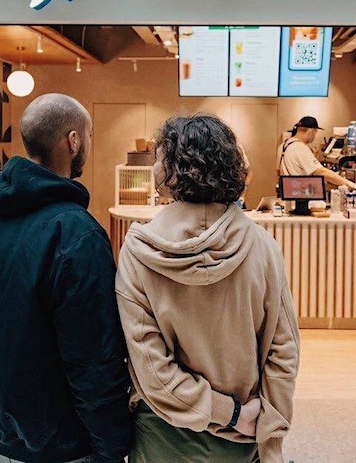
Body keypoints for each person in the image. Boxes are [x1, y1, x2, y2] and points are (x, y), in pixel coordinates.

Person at [0, 93, 133, 463]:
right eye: (89, 135)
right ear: (73, 141)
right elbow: (93, 359)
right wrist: (113, 446)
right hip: (59, 449)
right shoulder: (77, 235)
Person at [117, 114, 300, 463]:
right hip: (243, 436)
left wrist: (226, 413)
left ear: (168, 171)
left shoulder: (139, 251)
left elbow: (150, 367)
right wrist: (266, 428)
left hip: (163, 435)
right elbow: (284, 351)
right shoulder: (262, 247)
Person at [277, 116, 356, 191]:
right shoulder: (299, 147)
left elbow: (280, 171)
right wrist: (349, 183)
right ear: (311, 131)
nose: (314, 136)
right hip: (298, 196)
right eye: (315, 132)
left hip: (286, 194)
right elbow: (321, 172)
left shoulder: (283, 145)